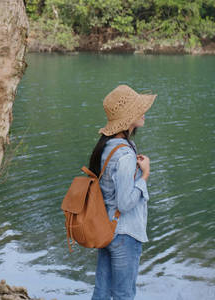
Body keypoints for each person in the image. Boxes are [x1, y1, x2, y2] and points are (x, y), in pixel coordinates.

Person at [89, 85, 156, 300]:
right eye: (139, 109)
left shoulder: (107, 146)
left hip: (106, 229)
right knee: (124, 294)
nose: (144, 112)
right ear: (128, 118)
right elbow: (125, 203)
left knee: (101, 291)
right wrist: (144, 175)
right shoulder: (125, 154)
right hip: (124, 234)